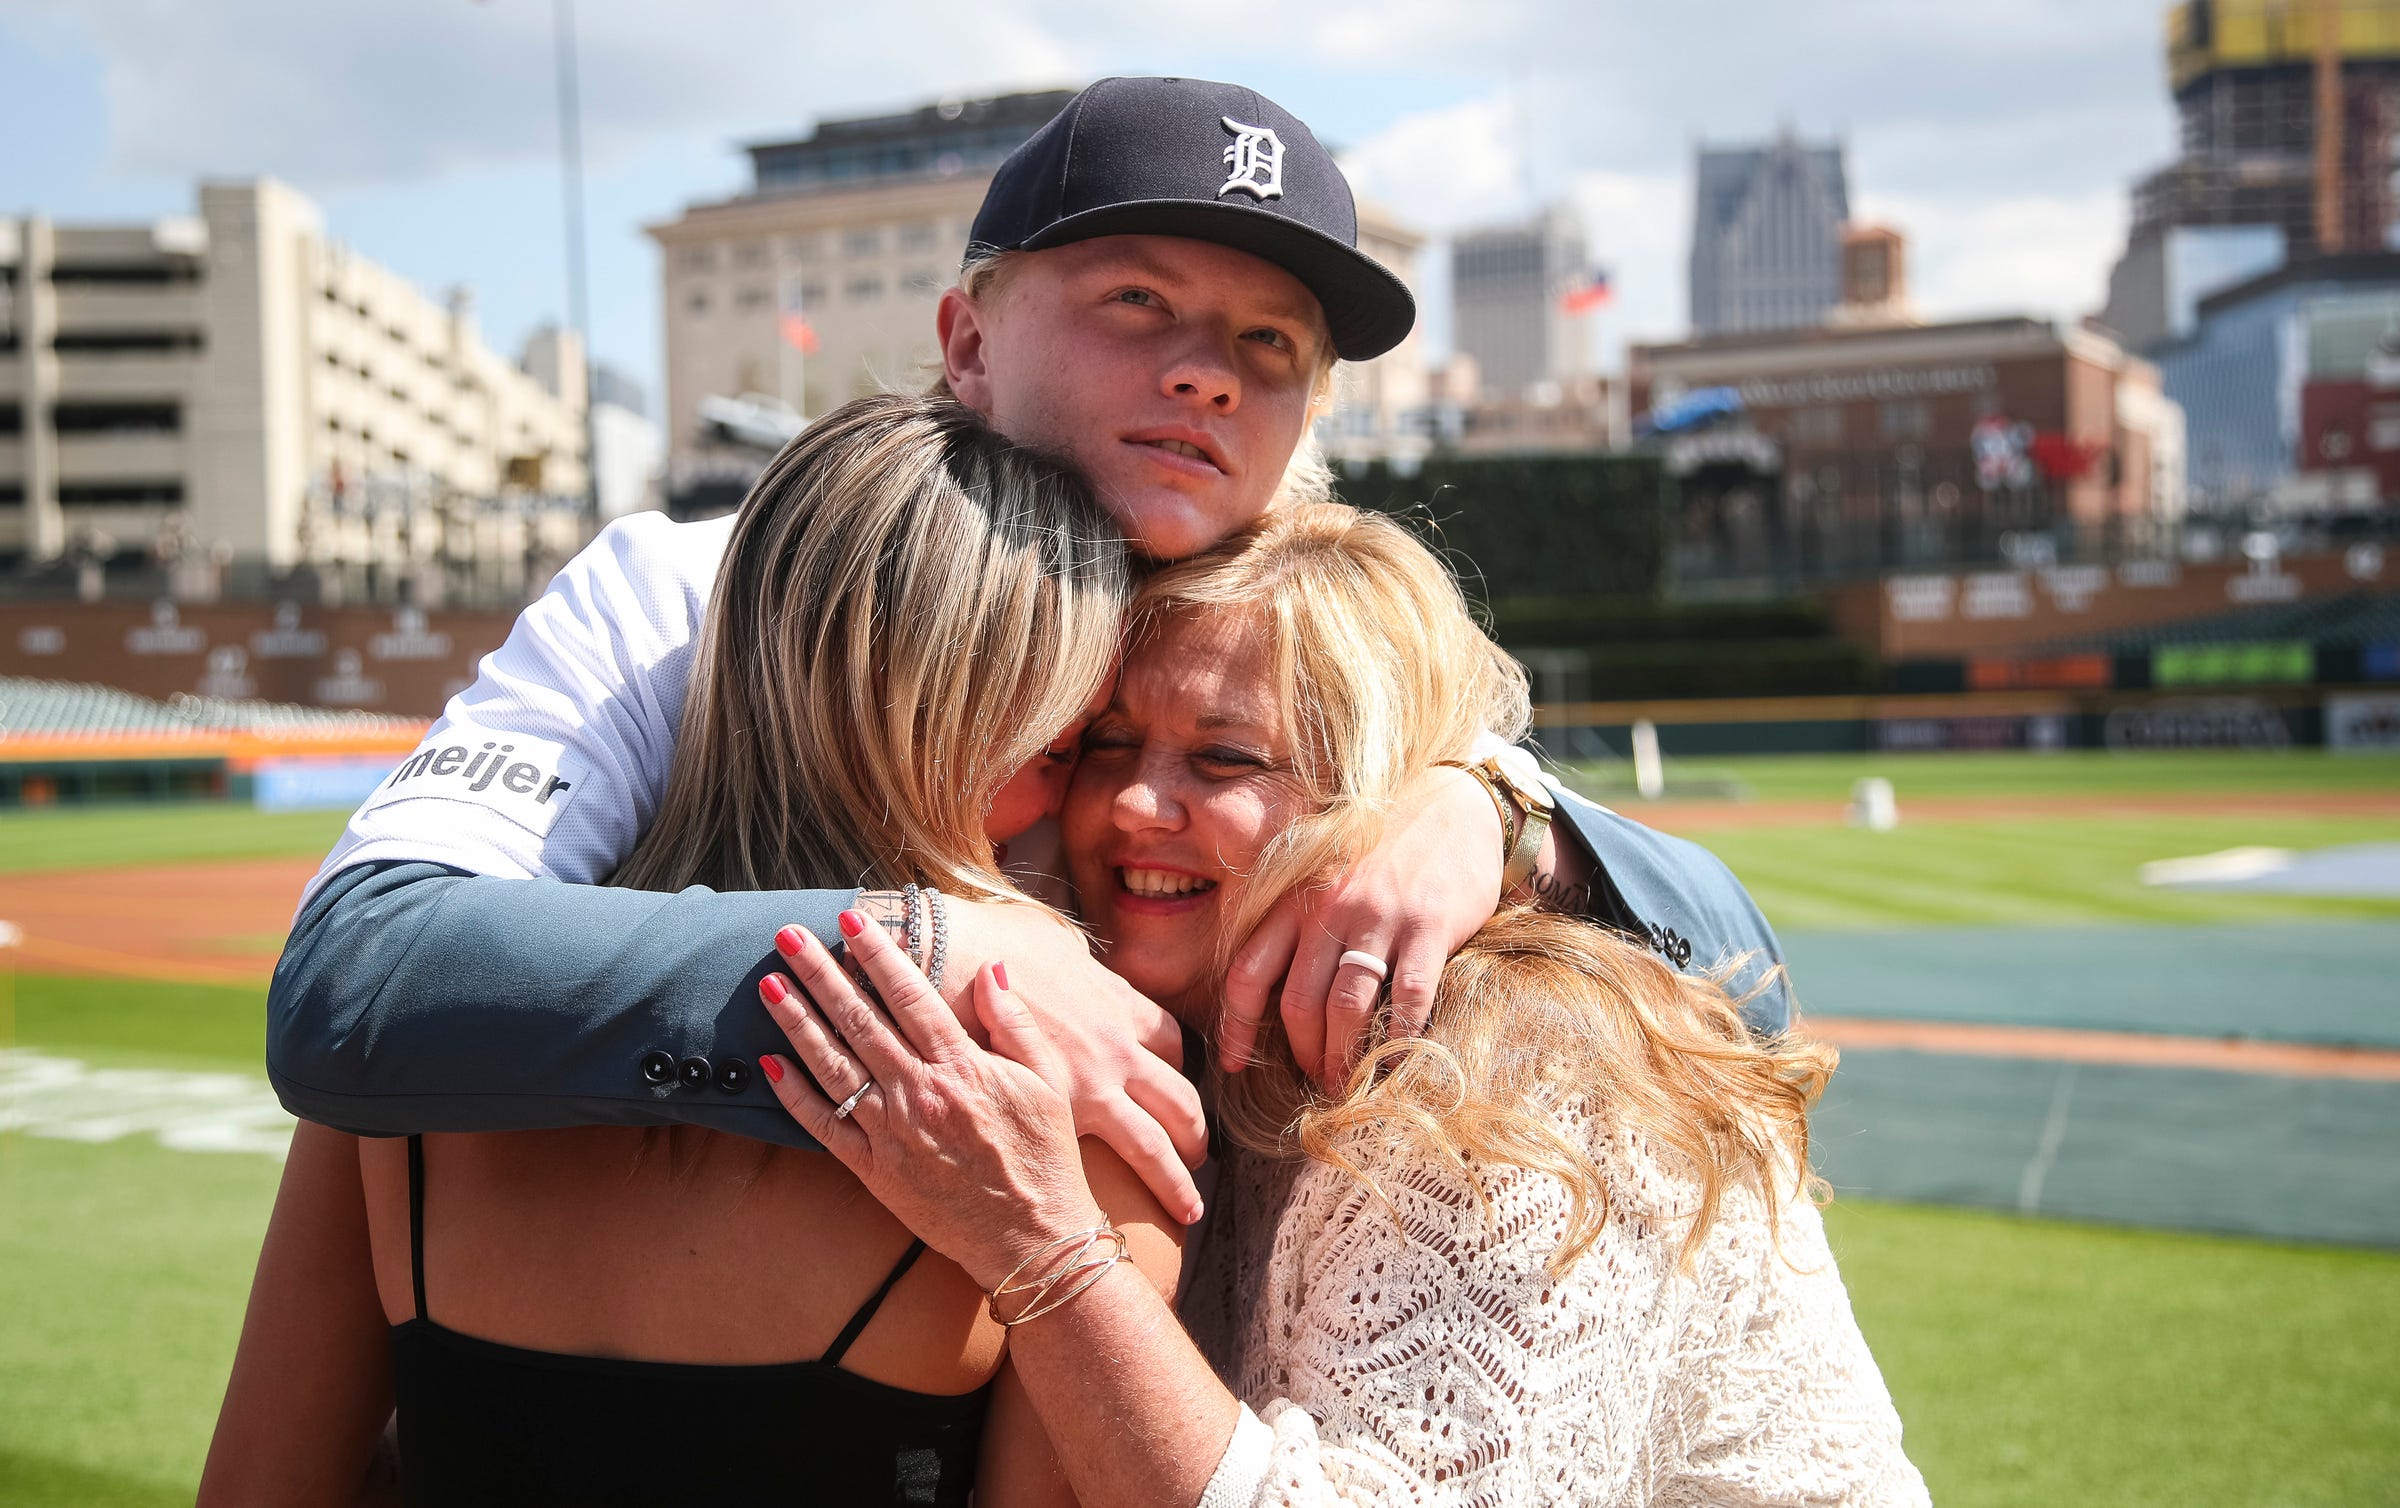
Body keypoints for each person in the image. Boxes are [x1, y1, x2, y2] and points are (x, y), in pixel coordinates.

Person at [261, 77, 1793, 1231]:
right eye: (1140, 301)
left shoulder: (1326, 645)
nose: (1206, 369)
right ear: (971, 339)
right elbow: (357, 979)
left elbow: (1749, 979)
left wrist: (1495, 817)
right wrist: (918, 956)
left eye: (1272, 345)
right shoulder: (701, 590)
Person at [757, 502, 1929, 1507]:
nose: (1134, 806)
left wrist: (1042, 1249)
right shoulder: (1188, 1024)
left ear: (1369, 795)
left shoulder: (1520, 1068)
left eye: (1222, 761)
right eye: (1108, 744)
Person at [200, 393, 1185, 1506]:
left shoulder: (411, 1079)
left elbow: (253, 1485)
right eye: (1060, 746)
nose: (1073, 795)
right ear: (930, 726)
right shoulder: (1069, 1129)